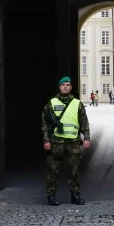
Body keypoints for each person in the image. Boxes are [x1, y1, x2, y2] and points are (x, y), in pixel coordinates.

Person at [42, 76, 91, 206]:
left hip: (73, 142)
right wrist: (46, 140)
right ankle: (51, 196)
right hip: (56, 142)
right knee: (53, 171)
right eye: (63, 85)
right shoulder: (51, 103)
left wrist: (86, 138)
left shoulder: (77, 103)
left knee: (74, 171)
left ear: (71, 87)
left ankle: (75, 195)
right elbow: (45, 124)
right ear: (59, 87)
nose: (65, 87)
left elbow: (84, 122)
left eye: (68, 85)